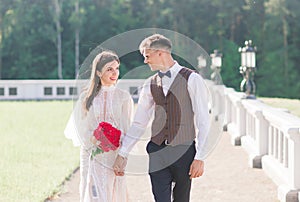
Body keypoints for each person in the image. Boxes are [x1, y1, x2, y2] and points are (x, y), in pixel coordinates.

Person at [113, 33, 210, 202]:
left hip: (184, 151)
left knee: (181, 199)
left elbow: (203, 120)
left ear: (160, 52)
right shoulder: (149, 84)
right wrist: (123, 152)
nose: (145, 61)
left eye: (147, 56)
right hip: (157, 150)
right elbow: (139, 122)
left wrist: (200, 157)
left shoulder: (192, 79)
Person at [64, 50, 134, 202]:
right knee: (92, 190)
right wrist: (94, 140)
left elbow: (126, 129)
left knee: (114, 190)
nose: (114, 73)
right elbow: (81, 127)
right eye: (109, 69)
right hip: (91, 153)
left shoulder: (124, 97)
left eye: (117, 68)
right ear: (98, 72)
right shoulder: (86, 97)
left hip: (113, 155)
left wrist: (122, 156)